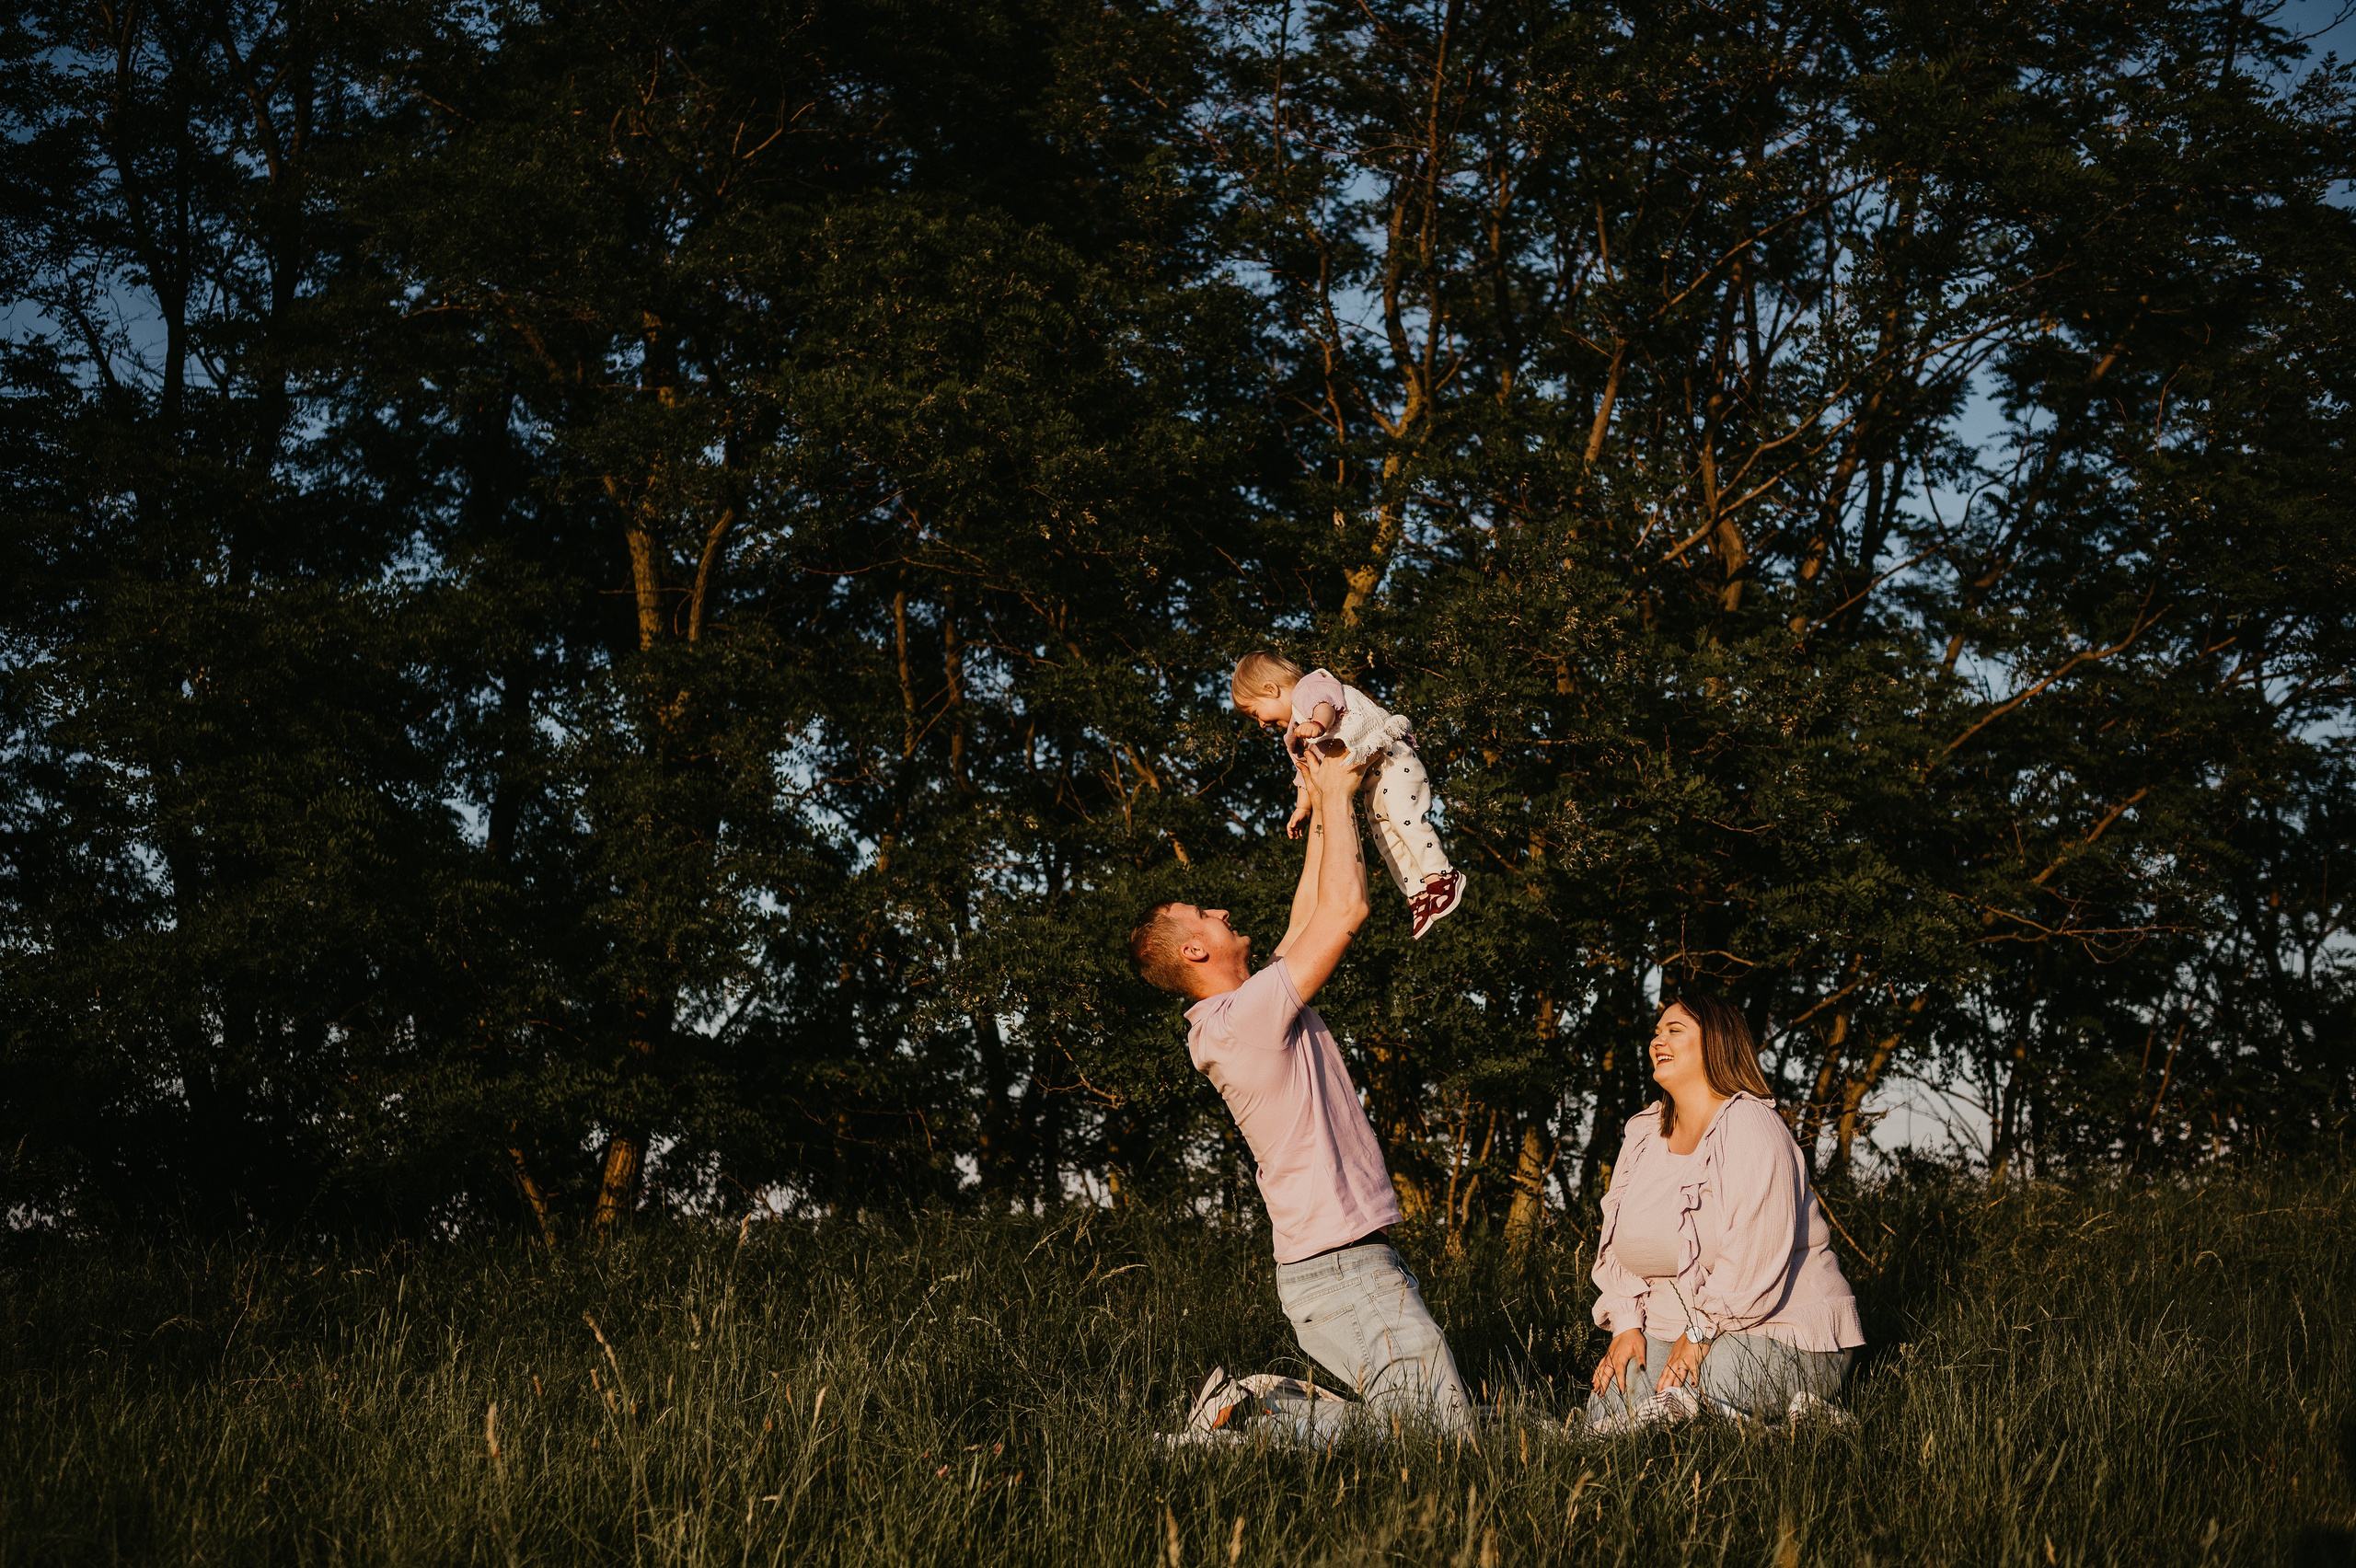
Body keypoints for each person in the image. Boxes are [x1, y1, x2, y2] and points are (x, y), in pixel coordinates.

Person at [1128, 743, 1472, 1439]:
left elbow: (1311, 910)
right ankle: (1241, 1431)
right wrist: (1342, 793)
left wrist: (1318, 803)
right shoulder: (1241, 1022)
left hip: (1343, 1264)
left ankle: (1259, 1411)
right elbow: (1346, 910)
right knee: (1439, 1438)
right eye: (1203, 913)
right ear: (1193, 951)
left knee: (1434, 1428)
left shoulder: (1241, 1012)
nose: (1221, 909)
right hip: (1343, 1267)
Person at [1584, 996, 1865, 1433]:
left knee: (1707, 1394)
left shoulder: (1751, 1125)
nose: (1658, 1040)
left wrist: (1699, 1333)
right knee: (1610, 1412)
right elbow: (1619, 1247)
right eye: (1657, 1031)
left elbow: (1755, 1255)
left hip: (1781, 1327)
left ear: (1715, 1043)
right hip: (1674, 1329)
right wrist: (1625, 1326)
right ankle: (1783, 1428)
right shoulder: (1643, 1134)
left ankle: (1814, 1426)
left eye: (1675, 1031)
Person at [1230, 651, 1466, 940]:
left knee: (1404, 818)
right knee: (1385, 837)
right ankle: (1418, 893)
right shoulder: (1296, 731)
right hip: (1373, 782)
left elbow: (1325, 706)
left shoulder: (1308, 689)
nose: (1261, 723)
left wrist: (1318, 724)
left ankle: (1442, 875)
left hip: (1392, 758)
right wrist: (1303, 807)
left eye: (1255, 713)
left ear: (1270, 689)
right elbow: (1306, 773)